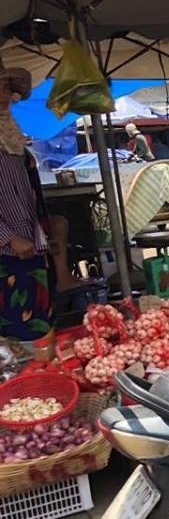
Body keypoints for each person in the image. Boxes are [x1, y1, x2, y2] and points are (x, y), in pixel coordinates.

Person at [0, 68, 52, 340]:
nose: (6, 95)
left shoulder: (12, 137)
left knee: (39, 328)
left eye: (8, 88)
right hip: (7, 250)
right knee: (15, 334)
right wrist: (10, 238)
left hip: (28, 245)